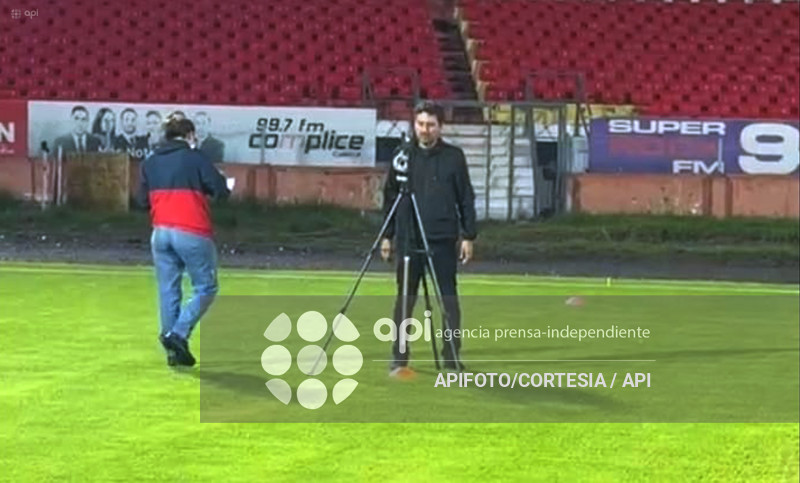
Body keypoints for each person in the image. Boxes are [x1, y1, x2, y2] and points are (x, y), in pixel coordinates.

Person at [380, 101, 477, 378]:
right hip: (408, 239)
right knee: (404, 301)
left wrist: (468, 235)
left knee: (448, 300)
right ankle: (399, 358)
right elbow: (390, 196)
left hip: (441, 239)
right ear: (414, 124)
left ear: (440, 127)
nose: (425, 130)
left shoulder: (454, 157)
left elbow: (466, 198)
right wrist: (388, 236)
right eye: (421, 124)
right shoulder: (402, 154)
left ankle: (451, 358)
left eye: (430, 125)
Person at [137, 117, 231, 366]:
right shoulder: (195, 157)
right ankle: (178, 333)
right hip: (191, 229)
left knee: (168, 290)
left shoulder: (150, 162)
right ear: (189, 134)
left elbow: (142, 201)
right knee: (206, 287)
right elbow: (219, 189)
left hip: (160, 232)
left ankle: (173, 352)